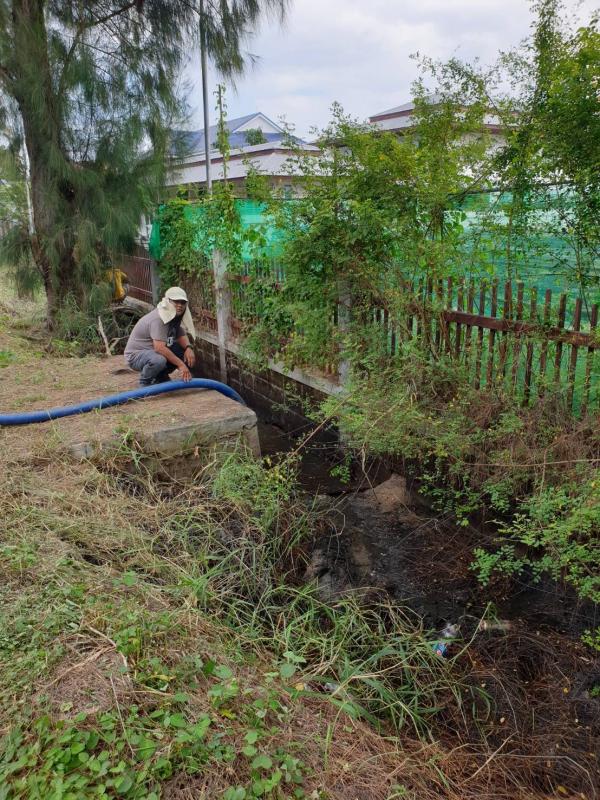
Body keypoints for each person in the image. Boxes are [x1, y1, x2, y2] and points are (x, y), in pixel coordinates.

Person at [124, 287, 197, 386]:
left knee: (182, 352)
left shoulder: (173, 316)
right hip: (136, 356)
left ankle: (160, 377)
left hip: (152, 352)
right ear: (167, 302)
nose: (180, 305)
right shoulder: (159, 319)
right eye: (176, 302)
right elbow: (159, 348)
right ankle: (145, 383)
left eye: (182, 302)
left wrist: (188, 348)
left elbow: (179, 332)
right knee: (159, 360)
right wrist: (181, 365)